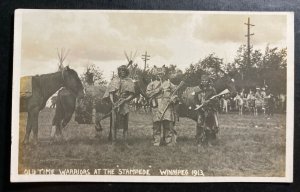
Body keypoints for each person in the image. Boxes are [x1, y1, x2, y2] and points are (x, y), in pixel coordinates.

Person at [103, 65, 135, 146]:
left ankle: (125, 142)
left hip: (125, 104)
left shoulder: (130, 81)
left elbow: (131, 94)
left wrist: (125, 100)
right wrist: (113, 102)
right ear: (119, 72)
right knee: (114, 123)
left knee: (125, 123)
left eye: (124, 71)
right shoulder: (114, 81)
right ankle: (114, 142)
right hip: (115, 103)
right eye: (121, 71)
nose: (123, 72)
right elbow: (110, 93)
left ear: (126, 72)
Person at [146, 66, 178, 146]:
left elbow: (176, 93)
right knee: (156, 124)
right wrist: (158, 90)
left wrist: (173, 98)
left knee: (167, 123)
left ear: (164, 74)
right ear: (156, 74)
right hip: (156, 105)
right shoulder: (152, 84)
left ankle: (169, 141)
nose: (160, 75)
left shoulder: (169, 83)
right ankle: (157, 141)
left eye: (161, 74)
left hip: (167, 105)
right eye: (158, 74)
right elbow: (148, 94)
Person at [195, 74, 219, 146]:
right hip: (200, 110)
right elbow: (195, 99)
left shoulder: (212, 90)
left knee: (209, 127)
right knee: (199, 126)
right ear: (201, 81)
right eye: (203, 80)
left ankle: (208, 141)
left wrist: (209, 102)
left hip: (209, 110)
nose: (204, 82)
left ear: (208, 81)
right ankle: (199, 141)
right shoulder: (198, 89)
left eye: (206, 80)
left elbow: (216, 99)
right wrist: (197, 105)